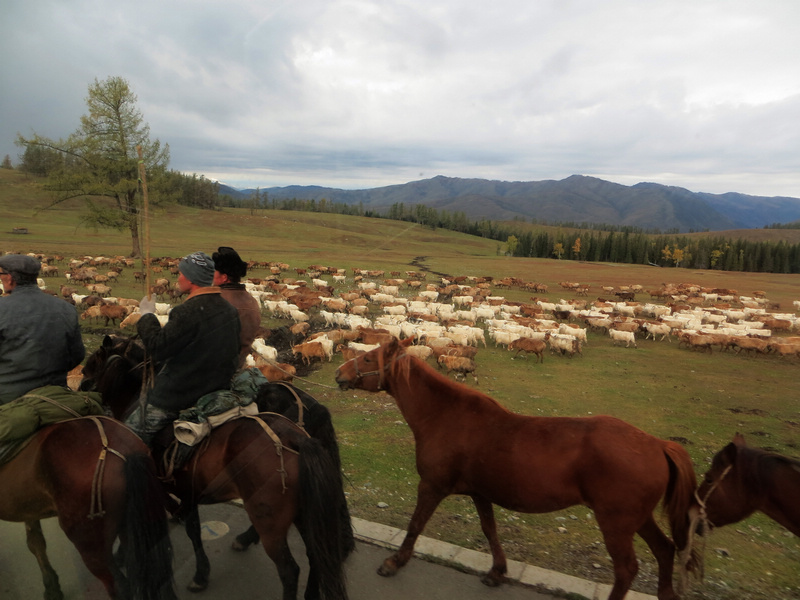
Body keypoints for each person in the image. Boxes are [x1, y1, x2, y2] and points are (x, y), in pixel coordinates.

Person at [125, 251, 241, 446]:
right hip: (217, 390)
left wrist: (146, 316)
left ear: (192, 279)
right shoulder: (229, 310)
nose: (178, 278)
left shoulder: (186, 311)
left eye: (182, 274)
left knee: (127, 438)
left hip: (179, 395)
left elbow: (158, 348)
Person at [0, 254, 85, 404]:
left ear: (9, 278)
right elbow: (77, 356)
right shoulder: (66, 308)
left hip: (9, 399)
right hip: (55, 395)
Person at [212, 246, 261, 369]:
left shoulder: (215, 300)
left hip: (214, 370)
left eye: (214, 271)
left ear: (224, 277)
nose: (211, 275)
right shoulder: (252, 301)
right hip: (239, 365)